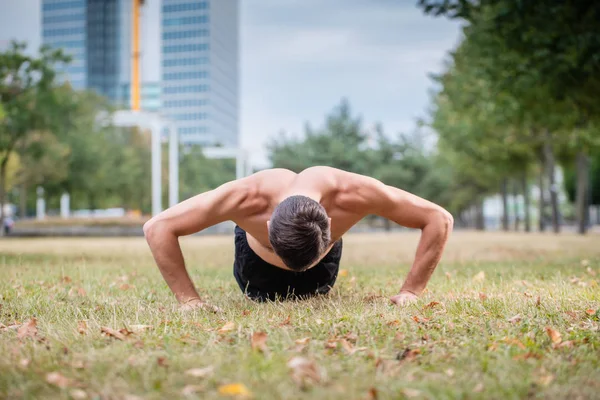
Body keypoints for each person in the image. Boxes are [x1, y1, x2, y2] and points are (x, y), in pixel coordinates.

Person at [143, 167, 453, 311]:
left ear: (328, 222)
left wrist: (411, 291)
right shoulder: (242, 198)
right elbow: (157, 228)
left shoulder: (356, 193)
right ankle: (273, 250)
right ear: (268, 223)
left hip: (322, 273)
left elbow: (439, 218)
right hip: (258, 277)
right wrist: (190, 301)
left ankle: (311, 252)